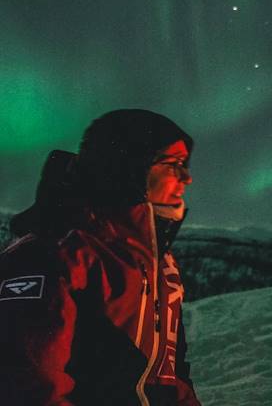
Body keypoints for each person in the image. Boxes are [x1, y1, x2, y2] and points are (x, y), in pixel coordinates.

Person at [1, 109, 202, 405]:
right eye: (174, 164)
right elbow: (29, 386)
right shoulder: (53, 256)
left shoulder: (159, 262)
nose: (187, 178)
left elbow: (170, 376)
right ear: (129, 168)